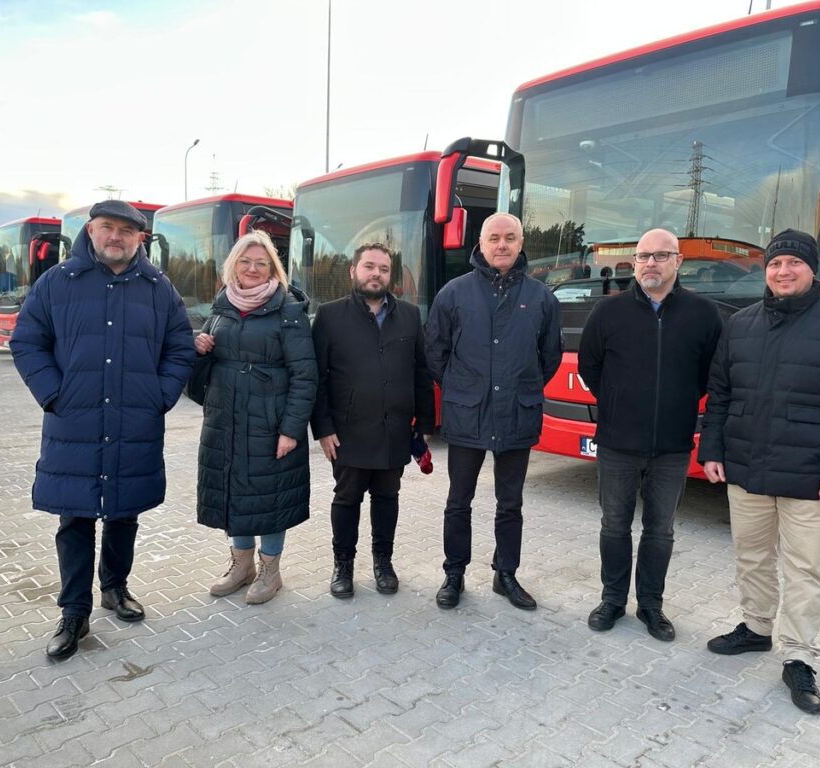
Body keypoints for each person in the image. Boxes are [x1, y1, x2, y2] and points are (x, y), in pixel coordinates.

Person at [699, 229, 820, 715]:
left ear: (812, 270)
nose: (783, 271)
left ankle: (799, 656)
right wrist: (712, 450)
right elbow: (720, 395)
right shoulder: (740, 325)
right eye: (776, 263)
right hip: (747, 470)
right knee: (751, 557)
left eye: (793, 264)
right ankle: (757, 628)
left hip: (811, 476)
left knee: (804, 569)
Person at [10, 200, 195, 660]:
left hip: (134, 420)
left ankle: (115, 587)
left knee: (123, 512)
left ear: (140, 239)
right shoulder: (57, 283)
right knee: (74, 517)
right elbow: (27, 341)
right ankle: (74, 611)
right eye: (107, 228)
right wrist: (55, 394)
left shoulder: (158, 288)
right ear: (91, 232)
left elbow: (180, 347)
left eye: (126, 231)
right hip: (75, 422)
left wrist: (161, 396)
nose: (117, 237)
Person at [578, 229, 723, 642]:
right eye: (643, 256)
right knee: (614, 526)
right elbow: (591, 366)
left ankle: (651, 606)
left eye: (661, 256)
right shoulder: (609, 312)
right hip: (617, 444)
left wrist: (676, 402)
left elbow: (711, 375)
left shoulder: (703, 314)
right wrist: (619, 400)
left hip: (672, 447)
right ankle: (612, 600)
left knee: (661, 531)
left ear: (678, 261)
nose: (650, 264)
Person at [424, 212, 562, 610]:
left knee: (510, 502)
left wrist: (522, 385)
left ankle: (506, 574)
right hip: (467, 413)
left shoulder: (540, 297)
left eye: (510, 238)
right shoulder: (453, 293)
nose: (502, 245)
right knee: (458, 500)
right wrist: (461, 388)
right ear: (480, 245)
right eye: (494, 238)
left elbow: (549, 356)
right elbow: (435, 351)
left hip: (517, 413)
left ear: (521, 244)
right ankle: (454, 573)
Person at [194, 230, 317, 606]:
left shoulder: (289, 310)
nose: (252, 268)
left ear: (272, 269)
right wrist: (199, 347)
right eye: (245, 262)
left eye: (260, 263)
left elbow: (305, 375)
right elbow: (203, 371)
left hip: (269, 423)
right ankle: (241, 565)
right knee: (234, 493)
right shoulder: (221, 306)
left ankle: (270, 571)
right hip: (225, 421)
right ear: (234, 265)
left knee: (270, 498)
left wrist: (291, 430)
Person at [310, 242, 435, 598]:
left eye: (383, 268)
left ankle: (383, 562)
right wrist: (323, 428)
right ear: (353, 271)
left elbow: (421, 373)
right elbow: (317, 377)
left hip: (395, 429)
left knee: (387, 497)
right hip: (347, 432)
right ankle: (343, 566)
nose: (376, 273)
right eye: (369, 266)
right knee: (346, 499)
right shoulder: (330, 316)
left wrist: (425, 425)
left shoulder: (409, 315)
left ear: (390, 275)